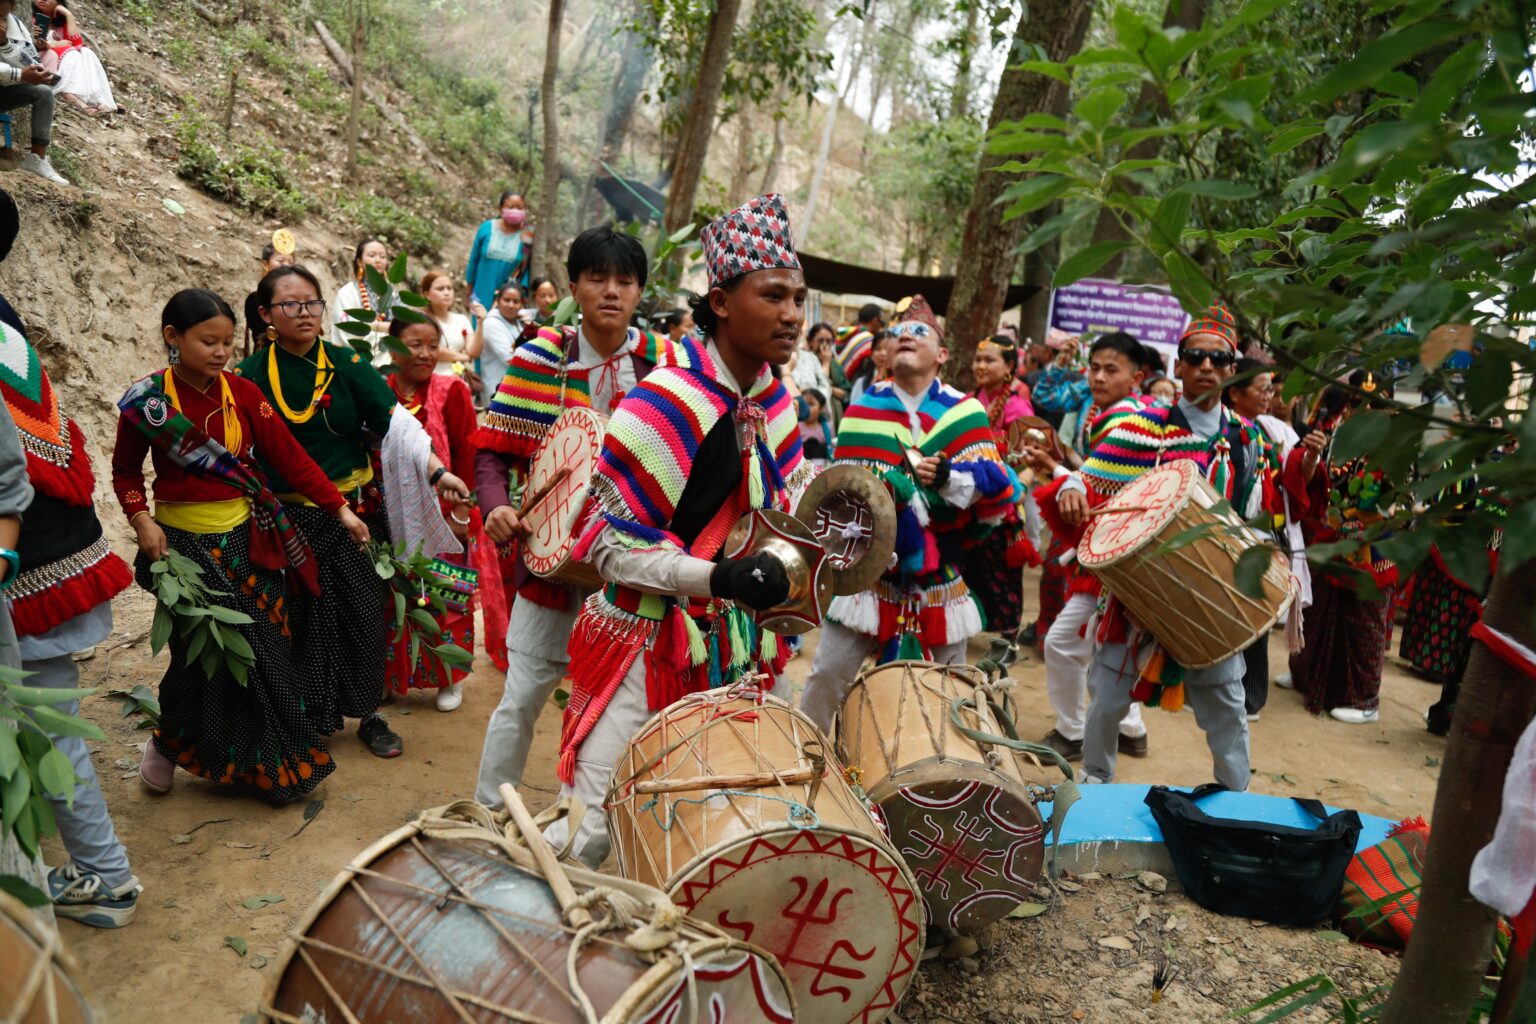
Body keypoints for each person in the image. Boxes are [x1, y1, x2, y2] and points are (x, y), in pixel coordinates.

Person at [551, 193, 815, 866]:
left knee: (741, 814)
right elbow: (606, 545)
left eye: (798, 298)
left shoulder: (777, 403)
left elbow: (781, 515)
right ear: (721, 302)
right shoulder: (665, 399)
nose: (792, 314)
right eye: (774, 295)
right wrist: (716, 576)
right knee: (587, 831)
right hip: (646, 642)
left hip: (737, 644)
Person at [115, 289, 369, 803]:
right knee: (196, 656)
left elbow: (292, 459)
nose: (220, 352)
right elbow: (124, 472)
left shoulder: (244, 394)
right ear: (173, 338)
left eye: (228, 342)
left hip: (243, 544)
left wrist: (338, 508)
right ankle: (167, 746)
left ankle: (272, 766)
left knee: (264, 653)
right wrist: (141, 519)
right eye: (208, 341)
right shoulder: (148, 403)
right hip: (181, 551)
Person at [471, 225, 680, 807]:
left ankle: (596, 821)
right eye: (597, 278)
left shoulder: (668, 366)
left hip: (638, 564)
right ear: (574, 286)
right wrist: (496, 507)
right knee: (523, 693)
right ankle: (489, 811)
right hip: (551, 561)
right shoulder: (540, 357)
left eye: (625, 280)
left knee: (628, 704)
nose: (611, 291)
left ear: (641, 291)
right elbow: (493, 447)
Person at [234, 265, 470, 759]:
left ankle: (369, 712)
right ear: (265, 315)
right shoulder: (249, 378)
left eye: (313, 303)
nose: (304, 313)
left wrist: (436, 472)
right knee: (300, 618)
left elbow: (397, 427)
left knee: (364, 610)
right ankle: (310, 713)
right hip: (288, 520)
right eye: (291, 305)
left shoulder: (346, 363)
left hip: (356, 515)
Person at [1047, 306, 1275, 790]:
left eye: (1218, 359)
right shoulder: (1140, 429)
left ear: (1232, 369)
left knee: (1226, 707)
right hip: (1139, 595)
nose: (1206, 367)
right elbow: (1088, 479)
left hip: (1210, 597)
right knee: (1107, 699)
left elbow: (1260, 514)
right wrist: (1069, 485)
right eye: (1195, 357)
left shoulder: (1250, 438)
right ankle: (1095, 783)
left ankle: (1236, 799)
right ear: (1179, 366)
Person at [0, 187, 136, 926]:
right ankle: (98, 874)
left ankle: (97, 880)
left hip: (24, 572)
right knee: (49, 724)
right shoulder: (5, 319)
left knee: (45, 727)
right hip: (54, 555)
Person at [799, 295, 1017, 734]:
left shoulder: (964, 411)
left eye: (919, 331)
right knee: (826, 677)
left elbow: (999, 487)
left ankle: (949, 774)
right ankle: (806, 759)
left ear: (942, 355)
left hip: (940, 583)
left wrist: (947, 480)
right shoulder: (861, 412)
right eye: (898, 331)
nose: (904, 335)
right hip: (867, 578)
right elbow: (839, 493)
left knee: (953, 690)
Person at [1026, 332, 1151, 762]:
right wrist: (1060, 465)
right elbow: (1100, 474)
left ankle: (1073, 732)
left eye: (1110, 370)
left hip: (1117, 554)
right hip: (1122, 552)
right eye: (1094, 367)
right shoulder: (1110, 413)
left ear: (1136, 377)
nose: (1098, 377)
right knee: (1115, 645)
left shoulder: (1128, 422)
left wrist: (1054, 468)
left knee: (1067, 643)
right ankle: (1132, 730)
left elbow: (1096, 488)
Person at [382, 317, 491, 712]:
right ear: (394, 348)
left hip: (444, 518)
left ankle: (450, 677)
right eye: (416, 344)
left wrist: (460, 515)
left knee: (448, 600)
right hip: (395, 518)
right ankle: (394, 677)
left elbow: (467, 455)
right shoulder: (380, 393)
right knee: (397, 603)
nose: (427, 354)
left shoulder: (451, 391)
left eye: (433, 345)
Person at [1289, 372, 1398, 724]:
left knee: (1363, 621)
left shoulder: (1397, 446)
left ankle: (1365, 700)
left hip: (1373, 547)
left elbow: (1402, 503)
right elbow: (1320, 483)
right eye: (1354, 402)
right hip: (1333, 538)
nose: (1362, 410)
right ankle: (1305, 676)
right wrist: (1310, 458)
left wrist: (1371, 522)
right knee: (1318, 612)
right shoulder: (1335, 437)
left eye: (1373, 404)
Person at [961, 334, 1039, 655]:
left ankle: (1006, 641)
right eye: (978, 360)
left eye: (989, 360)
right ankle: (964, 628)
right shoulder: (968, 401)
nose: (981, 366)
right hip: (968, 502)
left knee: (1000, 575)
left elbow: (1035, 451)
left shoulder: (1017, 406)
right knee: (966, 569)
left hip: (1004, 506)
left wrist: (1020, 488)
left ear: (1009, 367)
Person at [0, 0, 67, 184]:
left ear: (12, 6)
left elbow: (32, 62)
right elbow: (21, 70)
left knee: (43, 92)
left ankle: (37, 159)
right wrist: (18, 73)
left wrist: (5, 43)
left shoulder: (17, 26)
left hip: (3, 91)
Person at [34, 0, 116, 114]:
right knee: (72, 54)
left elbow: (77, 42)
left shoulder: (60, 25)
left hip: (61, 58)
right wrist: (54, 44)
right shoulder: (30, 18)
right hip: (42, 59)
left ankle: (97, 98)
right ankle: (69, 95)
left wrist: (68, 15)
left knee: (86, 52)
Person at [463, 191, 531, 318]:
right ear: (501, 208)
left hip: (509, 302)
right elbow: (473, 262)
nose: (515, 211)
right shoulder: (486, 228)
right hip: (481, 295)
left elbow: (526, 272)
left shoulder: (528, 236)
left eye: (520, 208)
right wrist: (468, 292)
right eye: (511, 207)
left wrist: (522, 299)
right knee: (478, 330)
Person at [331, 238, 393, 367]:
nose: (378, 260)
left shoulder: (392, 293)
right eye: (372, 255)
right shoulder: (347, 292)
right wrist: (384, 328)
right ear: (359, 261)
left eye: (383, 256)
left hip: (390, 358)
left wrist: (371, 325)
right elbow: (346, 326)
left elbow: (404, 327)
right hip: (356, 359)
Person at [471, 281, 521, 407]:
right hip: (497, 394)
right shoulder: (491, 323)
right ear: (498, 301)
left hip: (515, 394)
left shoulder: (518, 323)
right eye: (506, 300)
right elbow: (509, 359)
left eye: (516, 301)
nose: (511, 305)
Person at [242, 242, 294, 356]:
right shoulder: (255, 299)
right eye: (280, 261)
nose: (286, 265)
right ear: (265, 264)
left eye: (290, 262)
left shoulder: (299, 297)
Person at [418, 270, 474, 375]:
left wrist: (481, 322)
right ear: (427, 294)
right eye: (440, 289)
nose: (447, 293)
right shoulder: (421, 319)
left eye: (449, 288)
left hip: (458, 379)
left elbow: (473, 350)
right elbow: (435, 350)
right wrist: (463, 357)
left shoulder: (461, 319)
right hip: (432, 379)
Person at [832, 301, 886, 386]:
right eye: (882, 323)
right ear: (875, 320)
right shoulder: (868, 340)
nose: (881, 327)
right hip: (851, 386)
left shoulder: (845, 333)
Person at [798, 386, 833, 467]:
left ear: (821, 408)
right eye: (804, 405)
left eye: (811, 404)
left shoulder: (828, 428)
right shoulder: (796, 428)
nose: (807, 408)